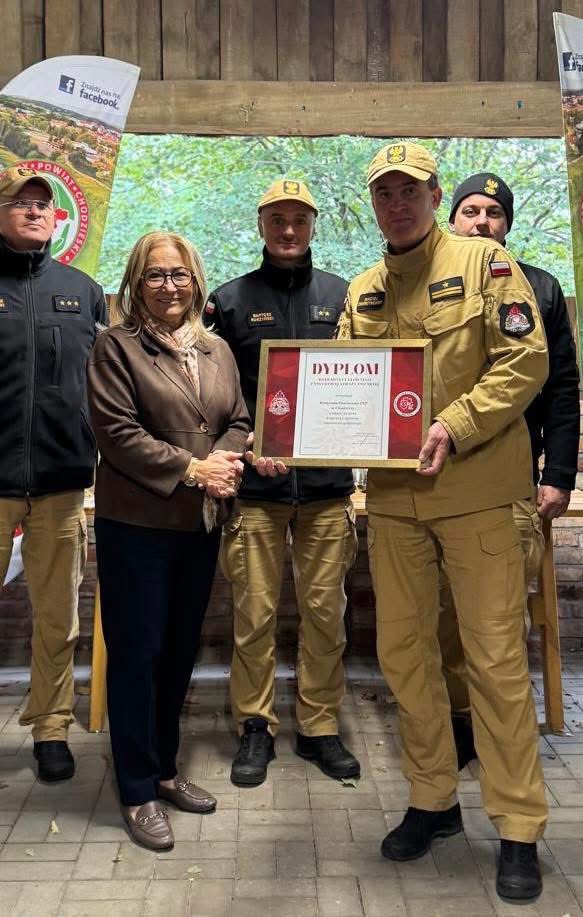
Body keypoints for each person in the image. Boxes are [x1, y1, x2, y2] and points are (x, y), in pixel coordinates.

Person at [335, 142, 549, 902]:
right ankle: (432, 799)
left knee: (492, 663)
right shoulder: (361, 291)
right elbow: (335, 386)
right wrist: (293, 434)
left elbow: (525, 363)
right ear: (374, 204)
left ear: (432, 197)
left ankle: (518, 823)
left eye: (411, 189)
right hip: (393, 505)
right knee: (404, 657)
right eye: (383, 192)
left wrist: (453, 424)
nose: (397, 202)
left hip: (480, 496)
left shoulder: (488, 267)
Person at [0, 165, 106, 793]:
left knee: (57, 617)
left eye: (44, 204)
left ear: (58, 218)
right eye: (20, 203)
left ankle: (51, 728)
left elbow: (100, 384)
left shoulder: (84, 291)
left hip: (61, 482)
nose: (35, 211)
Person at [87, 231, 249, 850]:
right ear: (136, 283)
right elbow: (117, 433)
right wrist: (193, 469)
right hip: (138, 527)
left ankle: (164, 770)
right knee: (136, 655)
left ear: (196, 280)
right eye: (155, 276)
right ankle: (134, 790)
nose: (169, 286)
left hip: (197, 525)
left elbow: (237, 418)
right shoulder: (115, 347)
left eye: (179, 275)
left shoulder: (216, 350)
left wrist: (226, 461)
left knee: (179, 650)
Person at [207, 179, 359, 787]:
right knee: (255, 613)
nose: (288, 230)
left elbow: (360, 385)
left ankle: (320, 728)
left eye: (299, 219)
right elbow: (215, 396)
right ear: (261, 224)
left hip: (325, 491)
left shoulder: (344, 297)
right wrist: (247, 444)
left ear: (313, 225)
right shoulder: (228, 300)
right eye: (277, 219)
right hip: (257, 491)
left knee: (326, 614)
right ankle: (254, 727)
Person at [440, 172, 582, 766]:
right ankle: (458, 724)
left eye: (493, 213)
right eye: (470, 210)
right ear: (452, 219)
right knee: (444, 618)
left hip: (510, 485)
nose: (481, 222)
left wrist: (559, 475)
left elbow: (562, 388)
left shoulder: (540, 288)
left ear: (508, 224)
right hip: (435, 480)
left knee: (496, 623)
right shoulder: (431, 284)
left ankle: (504, 735)